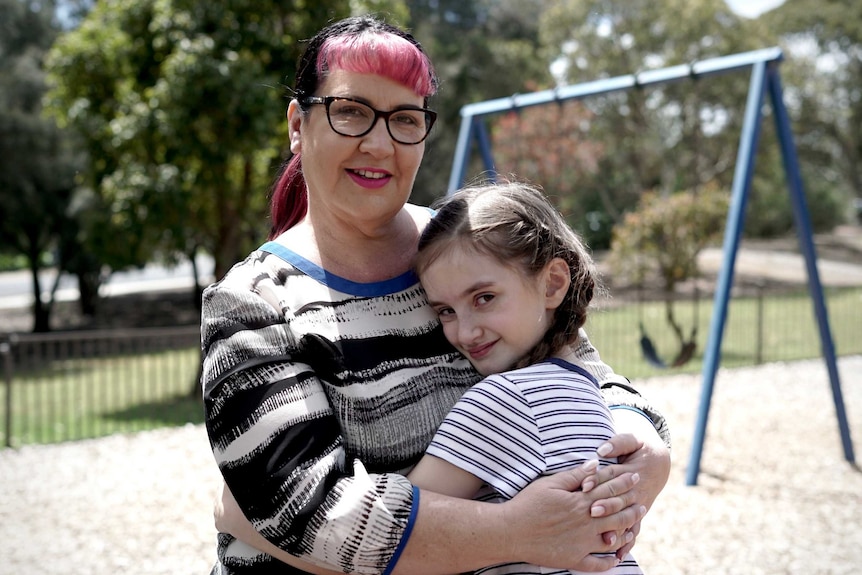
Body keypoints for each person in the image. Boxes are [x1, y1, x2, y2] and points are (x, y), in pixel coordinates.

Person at [200, 14, 671, 575]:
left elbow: (583, 369)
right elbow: (309, 517)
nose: (379, 143)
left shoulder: (468, 247)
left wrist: (647, 451)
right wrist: (520, 532)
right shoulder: (252, 304)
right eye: (350, 112)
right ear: (298, 126)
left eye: (404, 119)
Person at [406, 180, 648, 574]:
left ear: (552, 283)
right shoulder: (584, 386)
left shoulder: (505, 399)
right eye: (445, 311)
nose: (464, 332)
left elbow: (405, 524)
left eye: (484, 298)